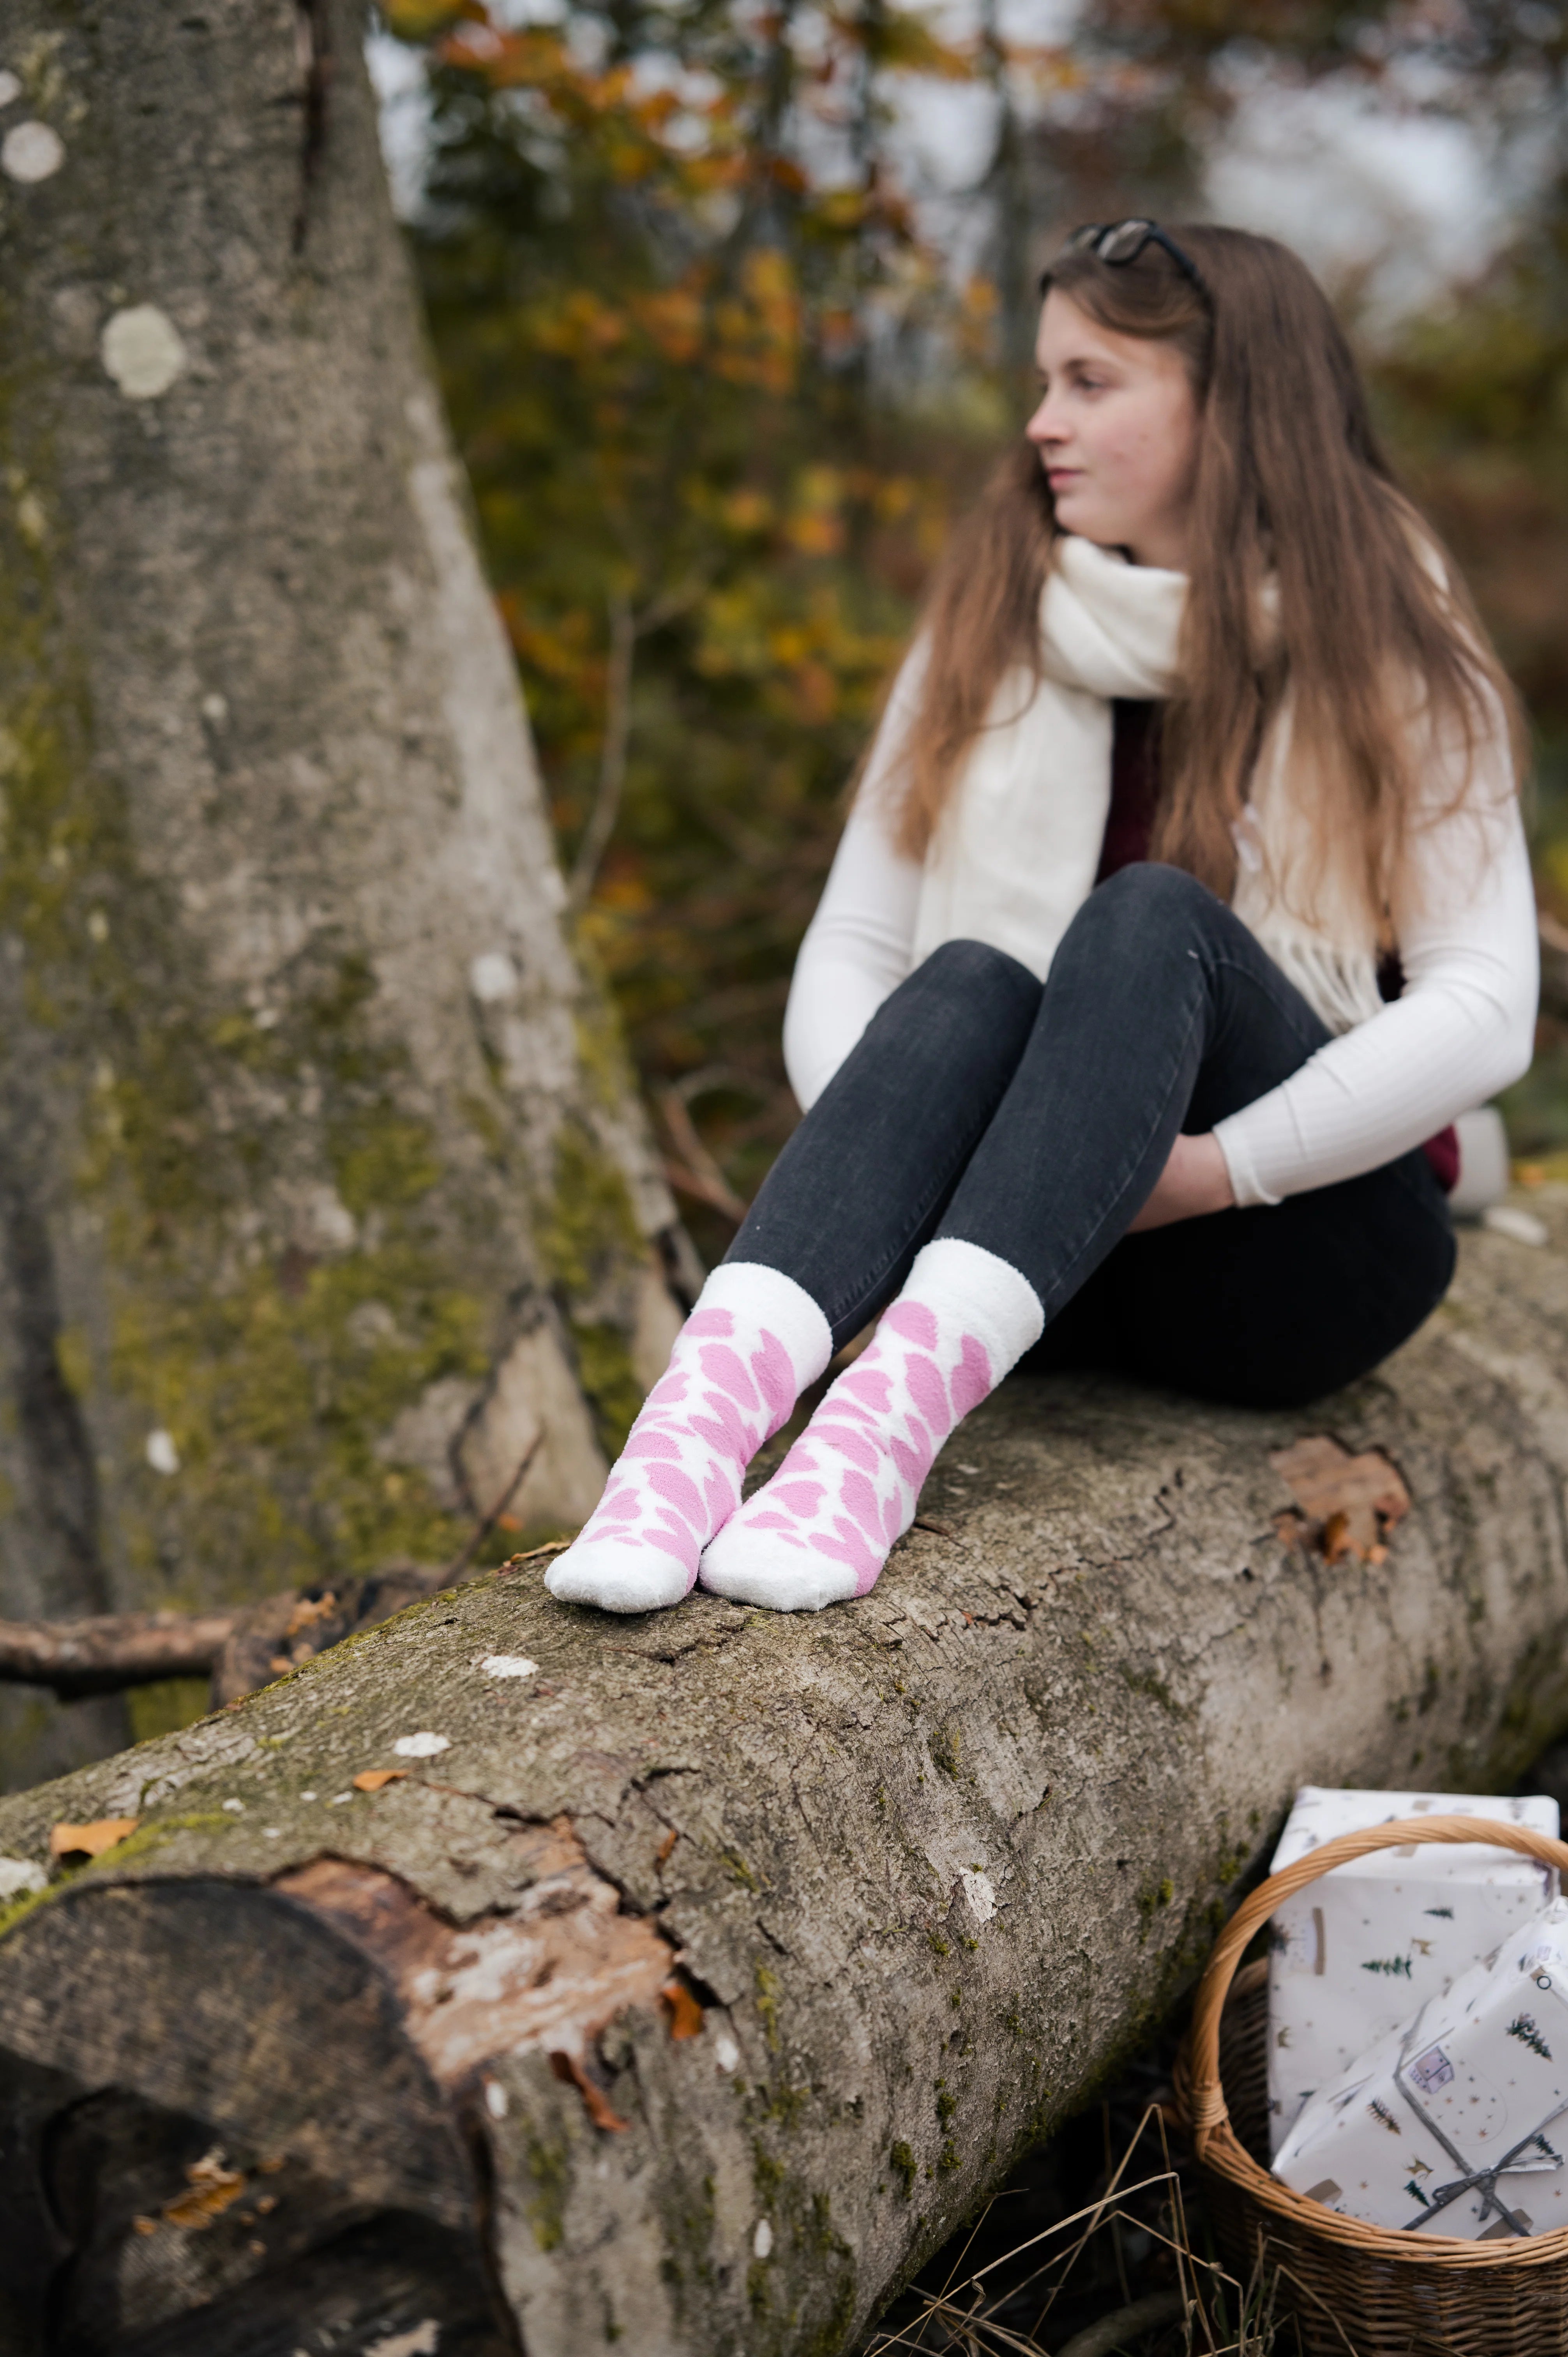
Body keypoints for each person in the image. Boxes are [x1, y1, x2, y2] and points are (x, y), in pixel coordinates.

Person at [547, 219, 1537, 1620]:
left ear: (1232, 401)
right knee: (962, 980)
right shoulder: (999, 616)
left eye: (1089, 382)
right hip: (1039, 1266)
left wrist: (1211, 1170)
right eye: (1042, 383)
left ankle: (877, 1443)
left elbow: (1488, 1002)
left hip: (1297, 1251)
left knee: (1148, 922)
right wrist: (912, 1161)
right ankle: (694, 1445)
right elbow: (855, 949)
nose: (1040, 426)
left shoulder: (1390, 634)